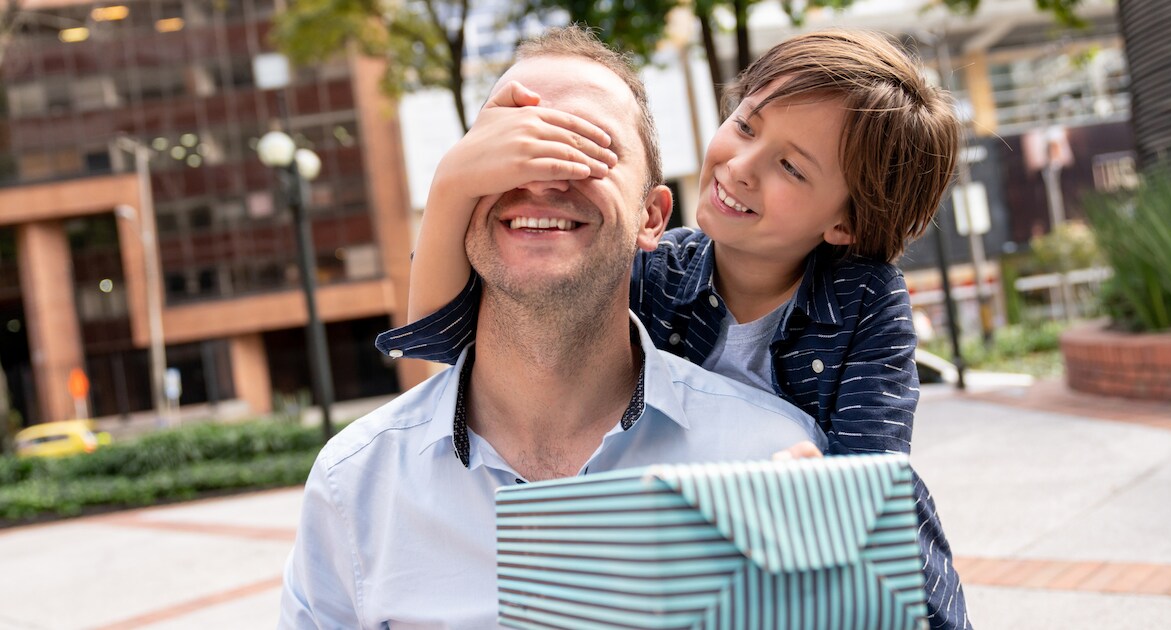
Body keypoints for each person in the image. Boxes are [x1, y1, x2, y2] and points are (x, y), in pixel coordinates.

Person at [396, 28, 971, 628]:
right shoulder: (656, 269)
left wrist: (808, 493)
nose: (741, 166)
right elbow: (447, 337)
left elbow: (870, 479)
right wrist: (453, 186)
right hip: (681, 540)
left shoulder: (866, 300)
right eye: (747, 126)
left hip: (802, 536)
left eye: (792, 169)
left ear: (846, 224)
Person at [279, 27, 829, 629]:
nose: (543, 175)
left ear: (653, 218)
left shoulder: (774, 460)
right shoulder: (353, 487)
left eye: (588, 147)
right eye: (512, 143)